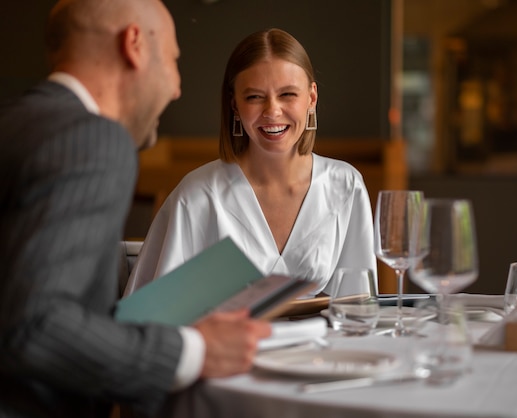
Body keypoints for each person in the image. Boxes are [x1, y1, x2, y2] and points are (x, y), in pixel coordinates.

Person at [0, 1, 271, 417]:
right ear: (135, 45)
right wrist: (196, 350)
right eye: (174, 61)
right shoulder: (94, 140)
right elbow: (35, 326)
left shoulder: (17, 123)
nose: (177, 87)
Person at [125, 28, 377, 298]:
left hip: (323, 340)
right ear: (234, 105)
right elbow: (153, 316)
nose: (272, 111)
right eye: (254, 97)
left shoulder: (346, 185)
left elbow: (358, 305)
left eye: (288, 94)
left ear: (311, 98)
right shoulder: (198, 195)